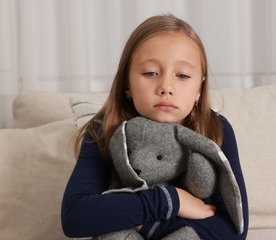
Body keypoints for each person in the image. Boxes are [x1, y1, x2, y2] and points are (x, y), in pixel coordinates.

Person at [61, 14, 248, 239]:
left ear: (199, 87)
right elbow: (74, 217)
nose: (166, 87)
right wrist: (172, 201)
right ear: (127, 84)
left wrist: (150, 226)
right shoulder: (104, 129)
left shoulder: (216, 129)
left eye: (183, 75)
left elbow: (234, 230)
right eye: (150, 73)